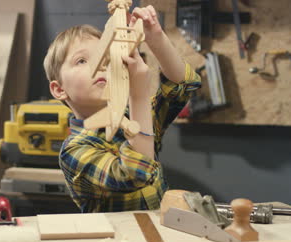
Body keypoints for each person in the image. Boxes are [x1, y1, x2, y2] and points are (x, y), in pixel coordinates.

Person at [43, 5, 201, 213]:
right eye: (81, 60)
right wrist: (138, 95)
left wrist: (156, 39)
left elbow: (183, 85)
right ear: (59, 89)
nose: (101, 66)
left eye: (107, 60)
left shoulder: (134, 115)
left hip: (160, 234)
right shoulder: (74, 150)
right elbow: (135, 174)